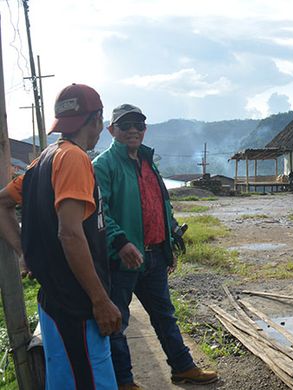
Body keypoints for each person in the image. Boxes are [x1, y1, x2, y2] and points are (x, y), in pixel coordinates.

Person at [0, 83, 121, 389]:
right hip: (77, 306)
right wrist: (100, 300)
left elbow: (3, 203)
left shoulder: (43, 161)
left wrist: (23, 252)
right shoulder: (75, 159)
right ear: (95, 120)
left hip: (53, 301)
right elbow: (70, 233)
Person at [92, 104, 218, 389]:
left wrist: (171, 239)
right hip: (122, 260)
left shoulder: (149, 162)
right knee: (117, 324)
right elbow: (100, 211)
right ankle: (124, 382)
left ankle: (183, 368)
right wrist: (120, 241)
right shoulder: (103, 165)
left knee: (165, 316)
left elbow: (162, 205)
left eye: (139, 125)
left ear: (145, 130)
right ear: (112, 130)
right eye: (125, 126)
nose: (133, 130)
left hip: (155, 257)